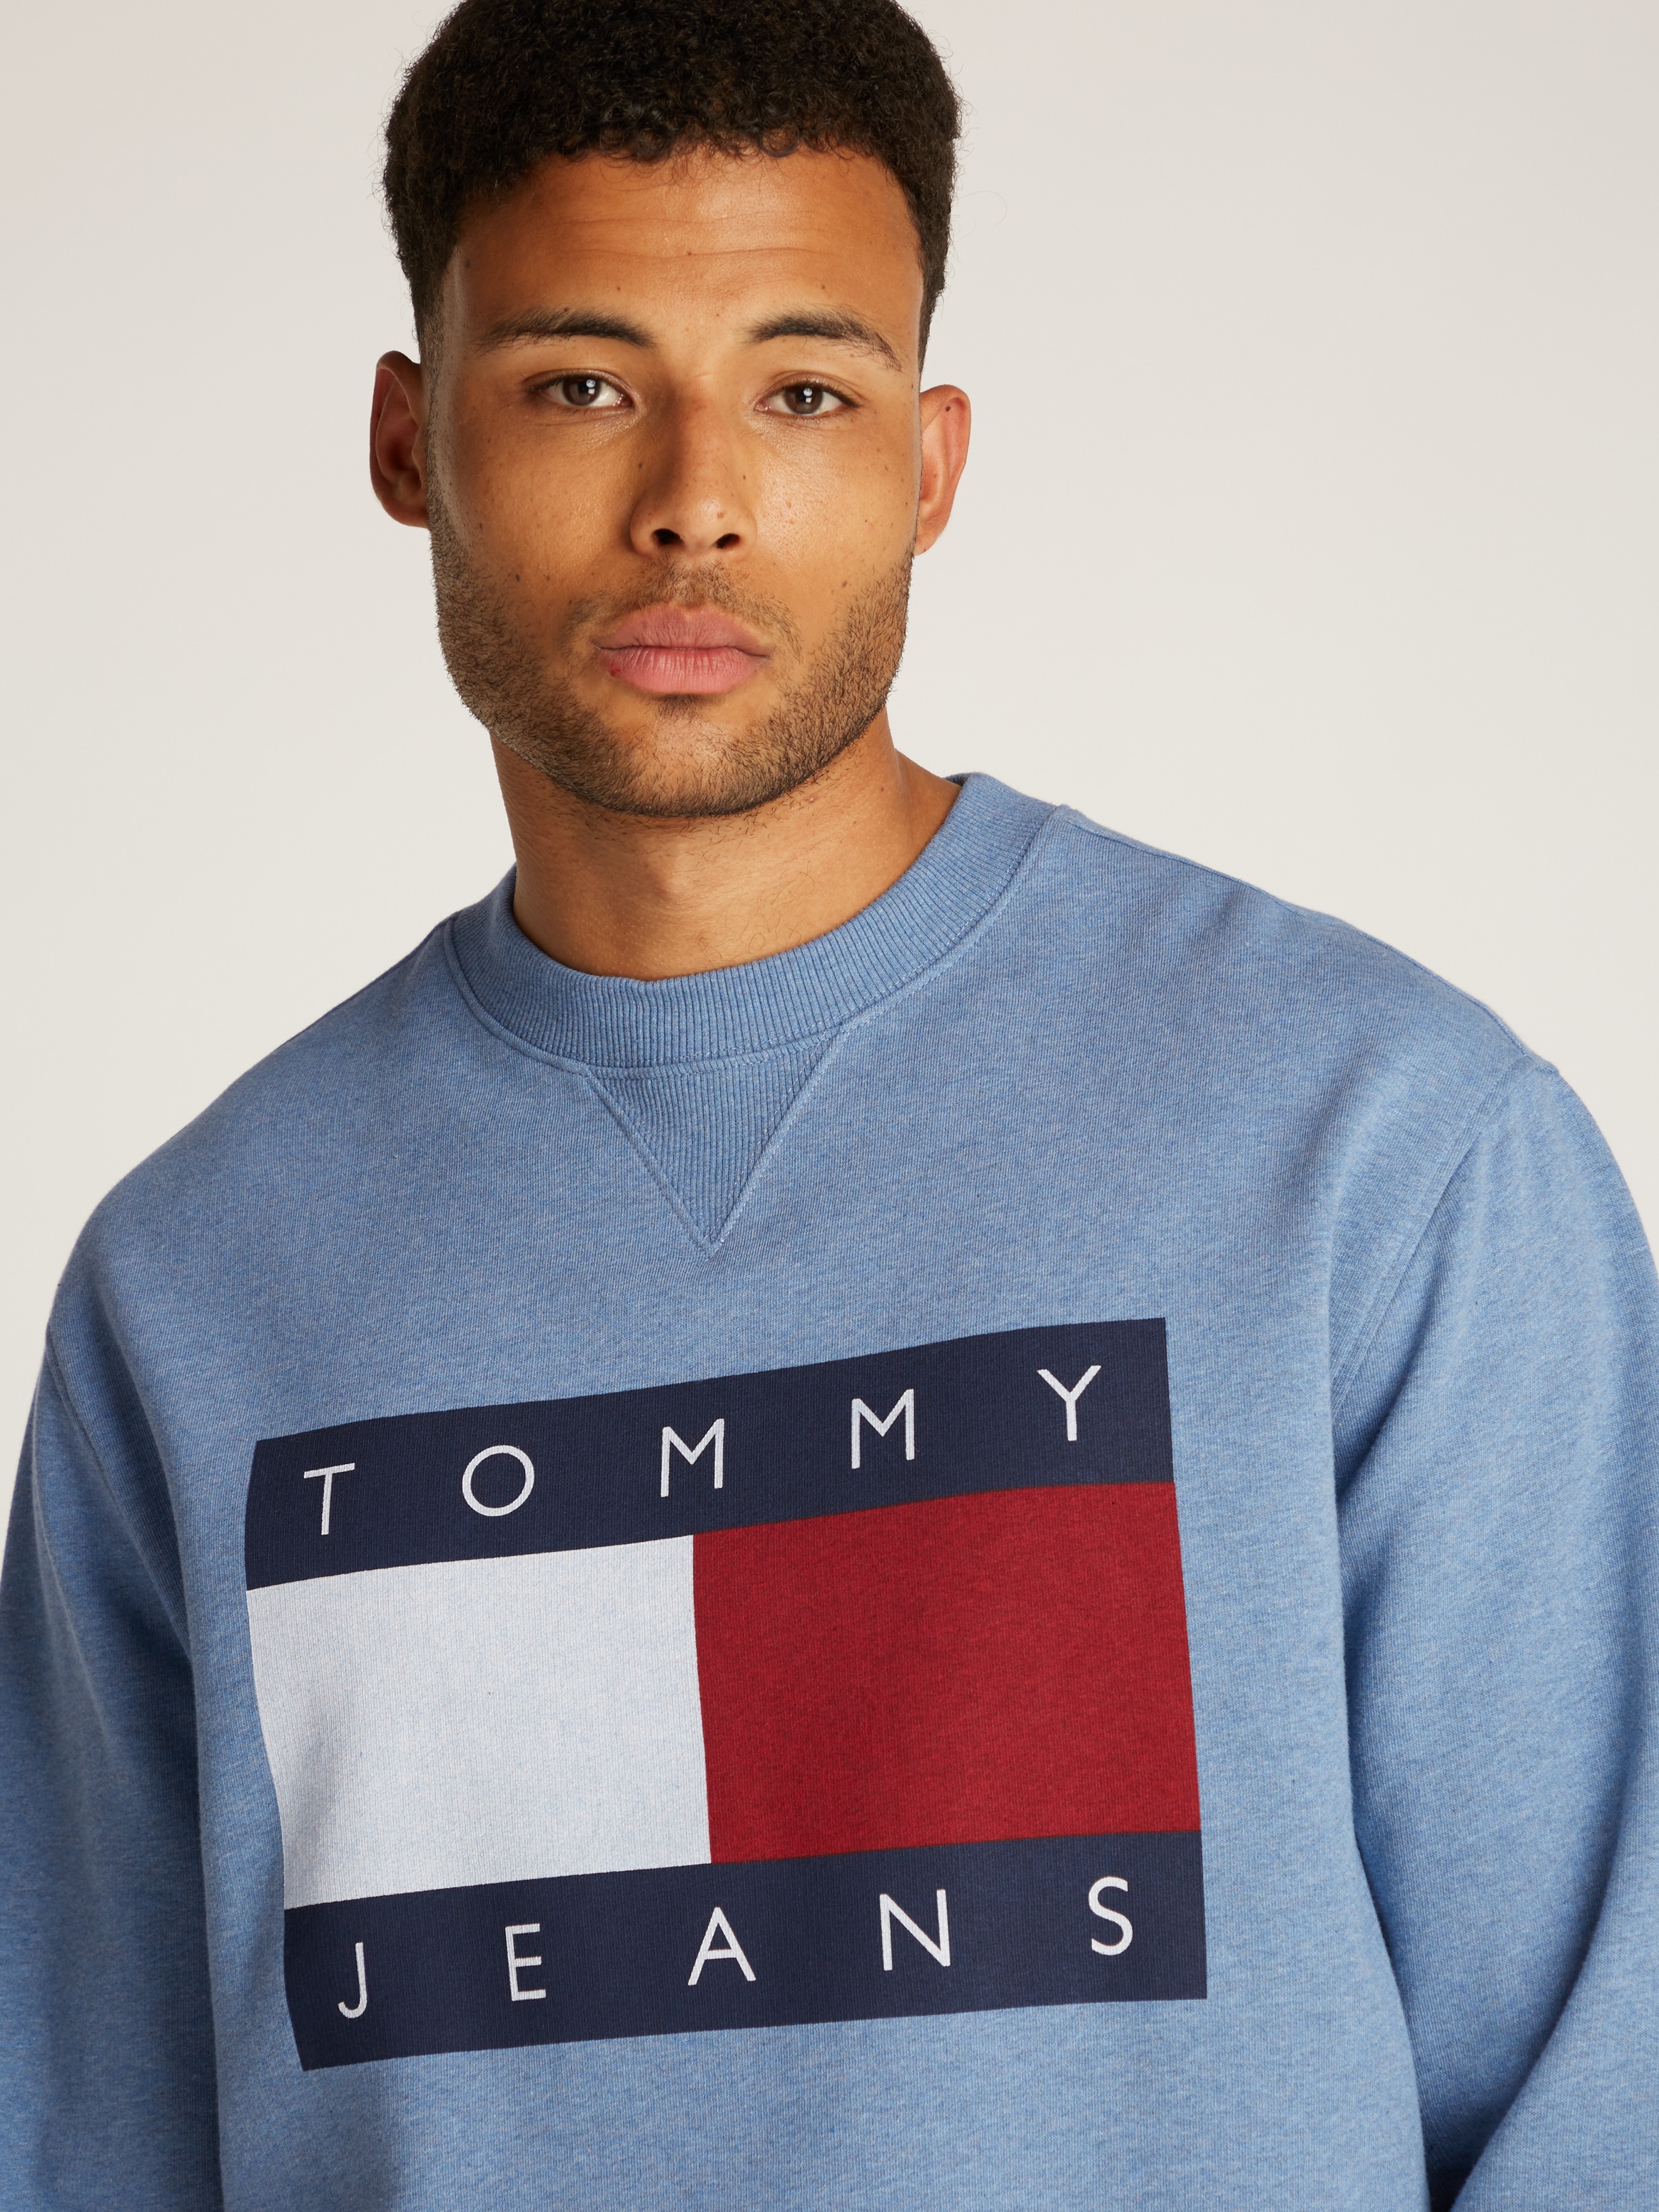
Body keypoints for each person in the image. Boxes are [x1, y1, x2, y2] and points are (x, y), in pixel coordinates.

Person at [2, 0, 1655, 2204]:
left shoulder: (1384, 1155)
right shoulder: (193, 1286)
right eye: (581, 382)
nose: (696, 498)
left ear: (931, 462)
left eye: (804, 391)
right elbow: (94, 2142)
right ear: (408, 439)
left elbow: (1606, 2106)